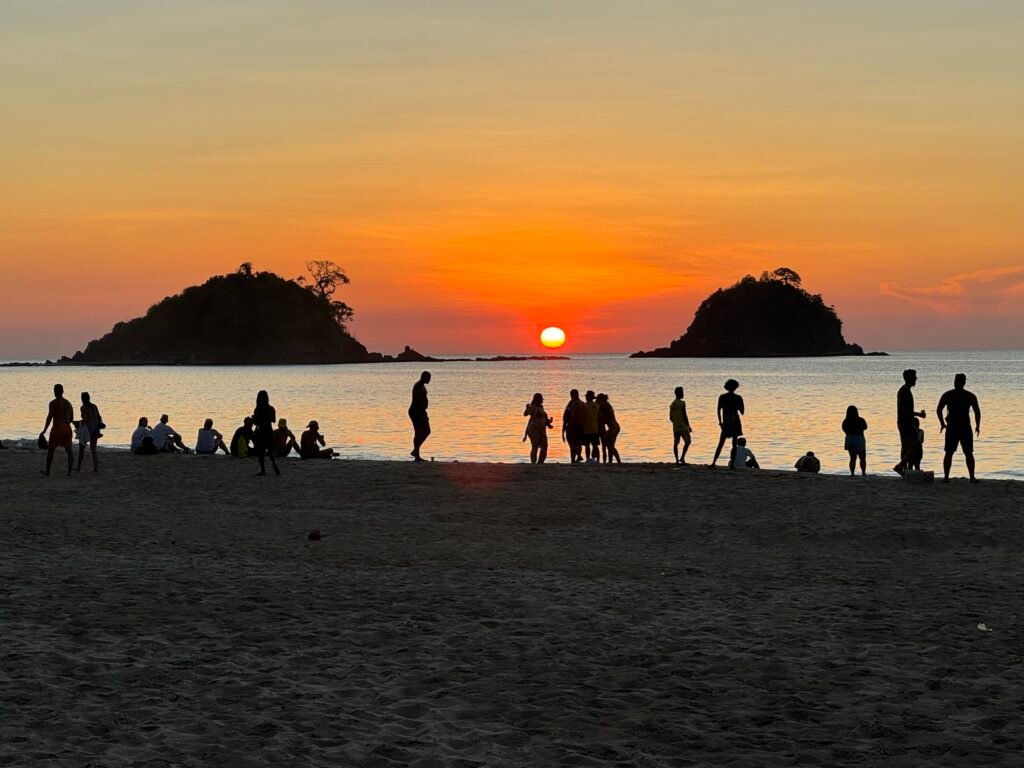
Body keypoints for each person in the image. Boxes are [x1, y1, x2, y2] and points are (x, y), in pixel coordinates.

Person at [937, 373, 981, 483]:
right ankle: (971, 477)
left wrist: (942, 423)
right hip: (963, 426)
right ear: (964, 382)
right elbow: (977, 411)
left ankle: (947, 477)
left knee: (951, 452)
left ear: (956, 382)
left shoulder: (948, 395)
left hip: (953, 426)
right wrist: (977, 425)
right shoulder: (969, 396)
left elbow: (939, 409)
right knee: (966, 452)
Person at [893, 369, 926, 476]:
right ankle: (901, 465)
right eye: (914, 377)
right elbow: (905, 410)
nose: (916, 379)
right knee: (915, 445)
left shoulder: (903, 390)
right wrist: (919, 415)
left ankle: (905, 469)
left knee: (905, 446)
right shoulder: (905, 391)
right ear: (910, 379)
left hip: (902, 422)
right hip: (906, 423)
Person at [41, 383, 75, 476]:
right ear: (63, 391)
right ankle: (69, 472)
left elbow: (49, 417)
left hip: (57, 428)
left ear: (54, 392)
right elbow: (71, 418)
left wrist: (44, 430)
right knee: (68, 450)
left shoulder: (53, 403)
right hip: (67, 428)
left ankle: (48, 471)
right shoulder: (68, 403)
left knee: (51, 450)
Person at [712, 379, 744, 467]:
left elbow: (718, 410)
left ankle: (714, 462)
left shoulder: (722, 397)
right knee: (734, 444)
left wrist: (720, 422)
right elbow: (742, 412)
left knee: (721, 443)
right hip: (735, 422)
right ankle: (732, 465)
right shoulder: (738, 398)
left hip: (726, 422)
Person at [252, 390, 281, 476]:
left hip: (260, 431)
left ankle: (263, 470)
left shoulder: (257, 409)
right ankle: (273, 463)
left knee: (261, 452)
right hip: (268, 430)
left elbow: (256, 422)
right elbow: (274, 420)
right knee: (270, 449)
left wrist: (254, 419)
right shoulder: (271, 408)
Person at [523, 393, 553, 464]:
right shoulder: (533, 407)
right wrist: (527, 408)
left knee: (545, 446)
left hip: (542, 430)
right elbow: (525, 414)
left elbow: (544, 418)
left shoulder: (541, 407)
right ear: (538, 399)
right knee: (535, 446)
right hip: (534, 429)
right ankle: (533, 462)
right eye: (541, 399)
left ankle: (540, 462)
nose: (542, 400)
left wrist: (548, 423)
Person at [77, 391, 103, 472]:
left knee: (81, 448)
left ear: (82, 399)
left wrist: (77, 422)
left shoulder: (83, 407)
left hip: (87, 430)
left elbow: (85, 419)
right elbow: (99, 417)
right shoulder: (94, 406)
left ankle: (78, 467)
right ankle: (95, 468)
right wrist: (100, 425)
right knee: (93, 449)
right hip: (95, 429)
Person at [409, 371, 431, 462]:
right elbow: (417, 401)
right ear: (424, 377)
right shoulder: (418, 386)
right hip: (416, 411)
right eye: (428, 378)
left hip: (421, 411)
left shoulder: (422, 385)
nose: (430, 380)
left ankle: (415, 451)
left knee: (427, 431)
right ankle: (417, 455)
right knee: (418, 432)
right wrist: (421, 413)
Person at [842, 405, 868, 476]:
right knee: (862, 457)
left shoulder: (845, 421)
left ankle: (852, 473)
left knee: (852, 458)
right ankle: (863, 473)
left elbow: (843, 429)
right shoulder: (861, 420)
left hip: (849, 439)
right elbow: (865, 427)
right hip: (859, 439)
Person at [669, 386, 692, 464]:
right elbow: (685, 415)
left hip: (675, 428)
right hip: (683, 427)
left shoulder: (672, 405)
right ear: (678, 394)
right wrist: (688, 426)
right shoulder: (682, 403)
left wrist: (676, 422)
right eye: (682, 393)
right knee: (688, 442)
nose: (683, 394)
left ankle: (676, 460)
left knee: (676, 443)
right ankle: (682, 457)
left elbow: (670, 418)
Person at [561, 389, 585, 463]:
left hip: (573, 425)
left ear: (573, 395)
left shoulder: (574, 403)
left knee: (571, 443)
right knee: (578, 443)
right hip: (581, 425)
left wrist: (565, 426)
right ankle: (577, 458)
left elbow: (571, 415)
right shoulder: (583, 403)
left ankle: (575, 458)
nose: (571, 396)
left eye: (571, 395)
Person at [597, 393, 621, 464]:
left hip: (613, 427)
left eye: (598, 400)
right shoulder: (607, 405)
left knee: (609, 446)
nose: (597, 401)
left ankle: (618, 461)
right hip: (615, 427)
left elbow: (608, 418)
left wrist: (601, 417)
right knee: (610, 445)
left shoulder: (605, 406)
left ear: (601, 399)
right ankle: (611, 461)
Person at [582, 391, 601, 463]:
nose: (586, 397)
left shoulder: (584, 405)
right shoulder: (597, 405)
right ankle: (593, 459)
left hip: (586, 428)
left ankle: (588, 458)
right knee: (594, 445)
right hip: (595, 428)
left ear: (588, 397)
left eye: (586, 396)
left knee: (587, 445)